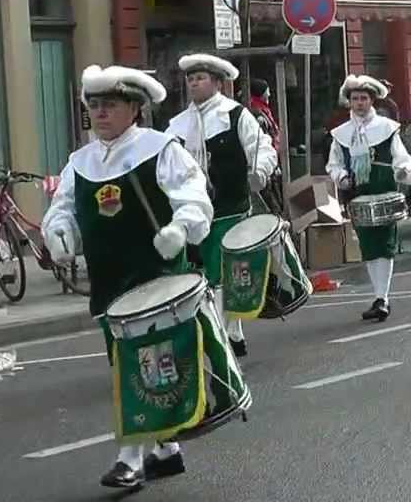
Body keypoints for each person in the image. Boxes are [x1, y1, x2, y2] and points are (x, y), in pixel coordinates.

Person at [42, 65, 213, 489]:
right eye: (94, 106)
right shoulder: (79, 162)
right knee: (130, 363)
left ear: (134, 108)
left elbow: (193, 192)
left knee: (140, 363)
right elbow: (63, 206)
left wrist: (181, 228)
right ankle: (167, 451)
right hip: (108, 279)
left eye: (110, 105)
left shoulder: (160, 148)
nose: (100, 114)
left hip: (155, 274)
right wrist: (58, 232)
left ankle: (129, 458)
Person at [166, 54, 275, 358]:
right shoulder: (177, 125)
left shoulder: (236, 115)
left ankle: (226, 334)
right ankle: (233, 333)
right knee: (205, 275)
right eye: (190, 79)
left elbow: (261, 148)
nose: (194, 83)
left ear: (216, 83)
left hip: (231, 205)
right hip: (194, 211)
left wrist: (260, 171)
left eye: (200, 78)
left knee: (223, 272)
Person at [327, 75, 411, 322]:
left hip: (384, 189)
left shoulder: (387, 128)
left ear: (372, 101)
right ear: (349, 102)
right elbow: (333, 164)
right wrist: (341, 177)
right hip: (359, 195)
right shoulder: (341, 133)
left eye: (364, 99)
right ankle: (378, 296)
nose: (359, 103)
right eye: (355, 99)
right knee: (368, 245)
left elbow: (401, 156)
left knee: (385, 243)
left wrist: (403, 170)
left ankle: (382, 297)